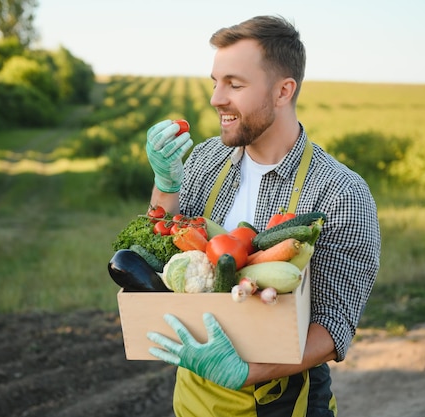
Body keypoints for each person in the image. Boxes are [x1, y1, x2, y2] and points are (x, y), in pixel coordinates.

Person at [144, 15, 381, 417]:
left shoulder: (341, 192)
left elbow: (333, 327)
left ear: (283, 91)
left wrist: (245, 372)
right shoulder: (204, 160)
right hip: (194, 396)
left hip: (284, 401)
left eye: (234, 85)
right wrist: (166, 184)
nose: (217, 98)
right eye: (215, 82)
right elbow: (158, 250)